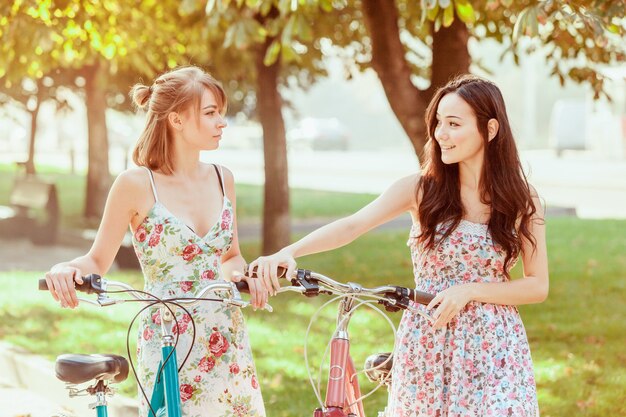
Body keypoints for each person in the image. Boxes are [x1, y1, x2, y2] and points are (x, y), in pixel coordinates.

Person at [250, 74, 548, 416]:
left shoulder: (523, 200)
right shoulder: (421, 190)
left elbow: (537, 285)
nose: (441, 134)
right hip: (428, 341)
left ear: (490, 129)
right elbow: (352, 225)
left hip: (495, 346)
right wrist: (289, 252)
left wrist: (469, 290)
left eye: (454, 123)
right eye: (438, 123)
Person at [44, 66, 267, 417]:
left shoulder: (224, 178)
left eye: (220, 113)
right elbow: (97, 261)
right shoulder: (135, 184)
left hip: (226, 337)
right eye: (210, 113)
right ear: (176, 120)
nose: (222, 122)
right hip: (166, 336)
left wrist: (246, 275)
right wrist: (65, 268)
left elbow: (231, 256)